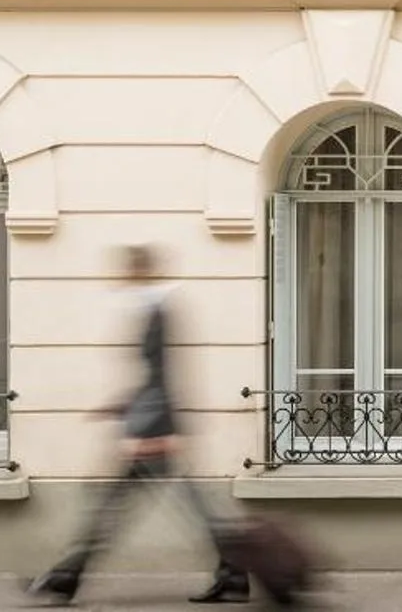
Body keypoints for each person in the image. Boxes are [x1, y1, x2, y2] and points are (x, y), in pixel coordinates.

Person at [29, 245, 249, 606]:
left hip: (154, 432)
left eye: (126, 270)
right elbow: (154, 377)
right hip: (154, 426)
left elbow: (160, 376)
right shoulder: (150, 307)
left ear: (139, 271)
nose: (119, 277)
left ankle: (66, 577)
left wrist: (151, 432)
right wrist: (120, 407)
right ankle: (233, 575)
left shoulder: (156, 311)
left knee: (116, 507)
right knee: (171, 506)